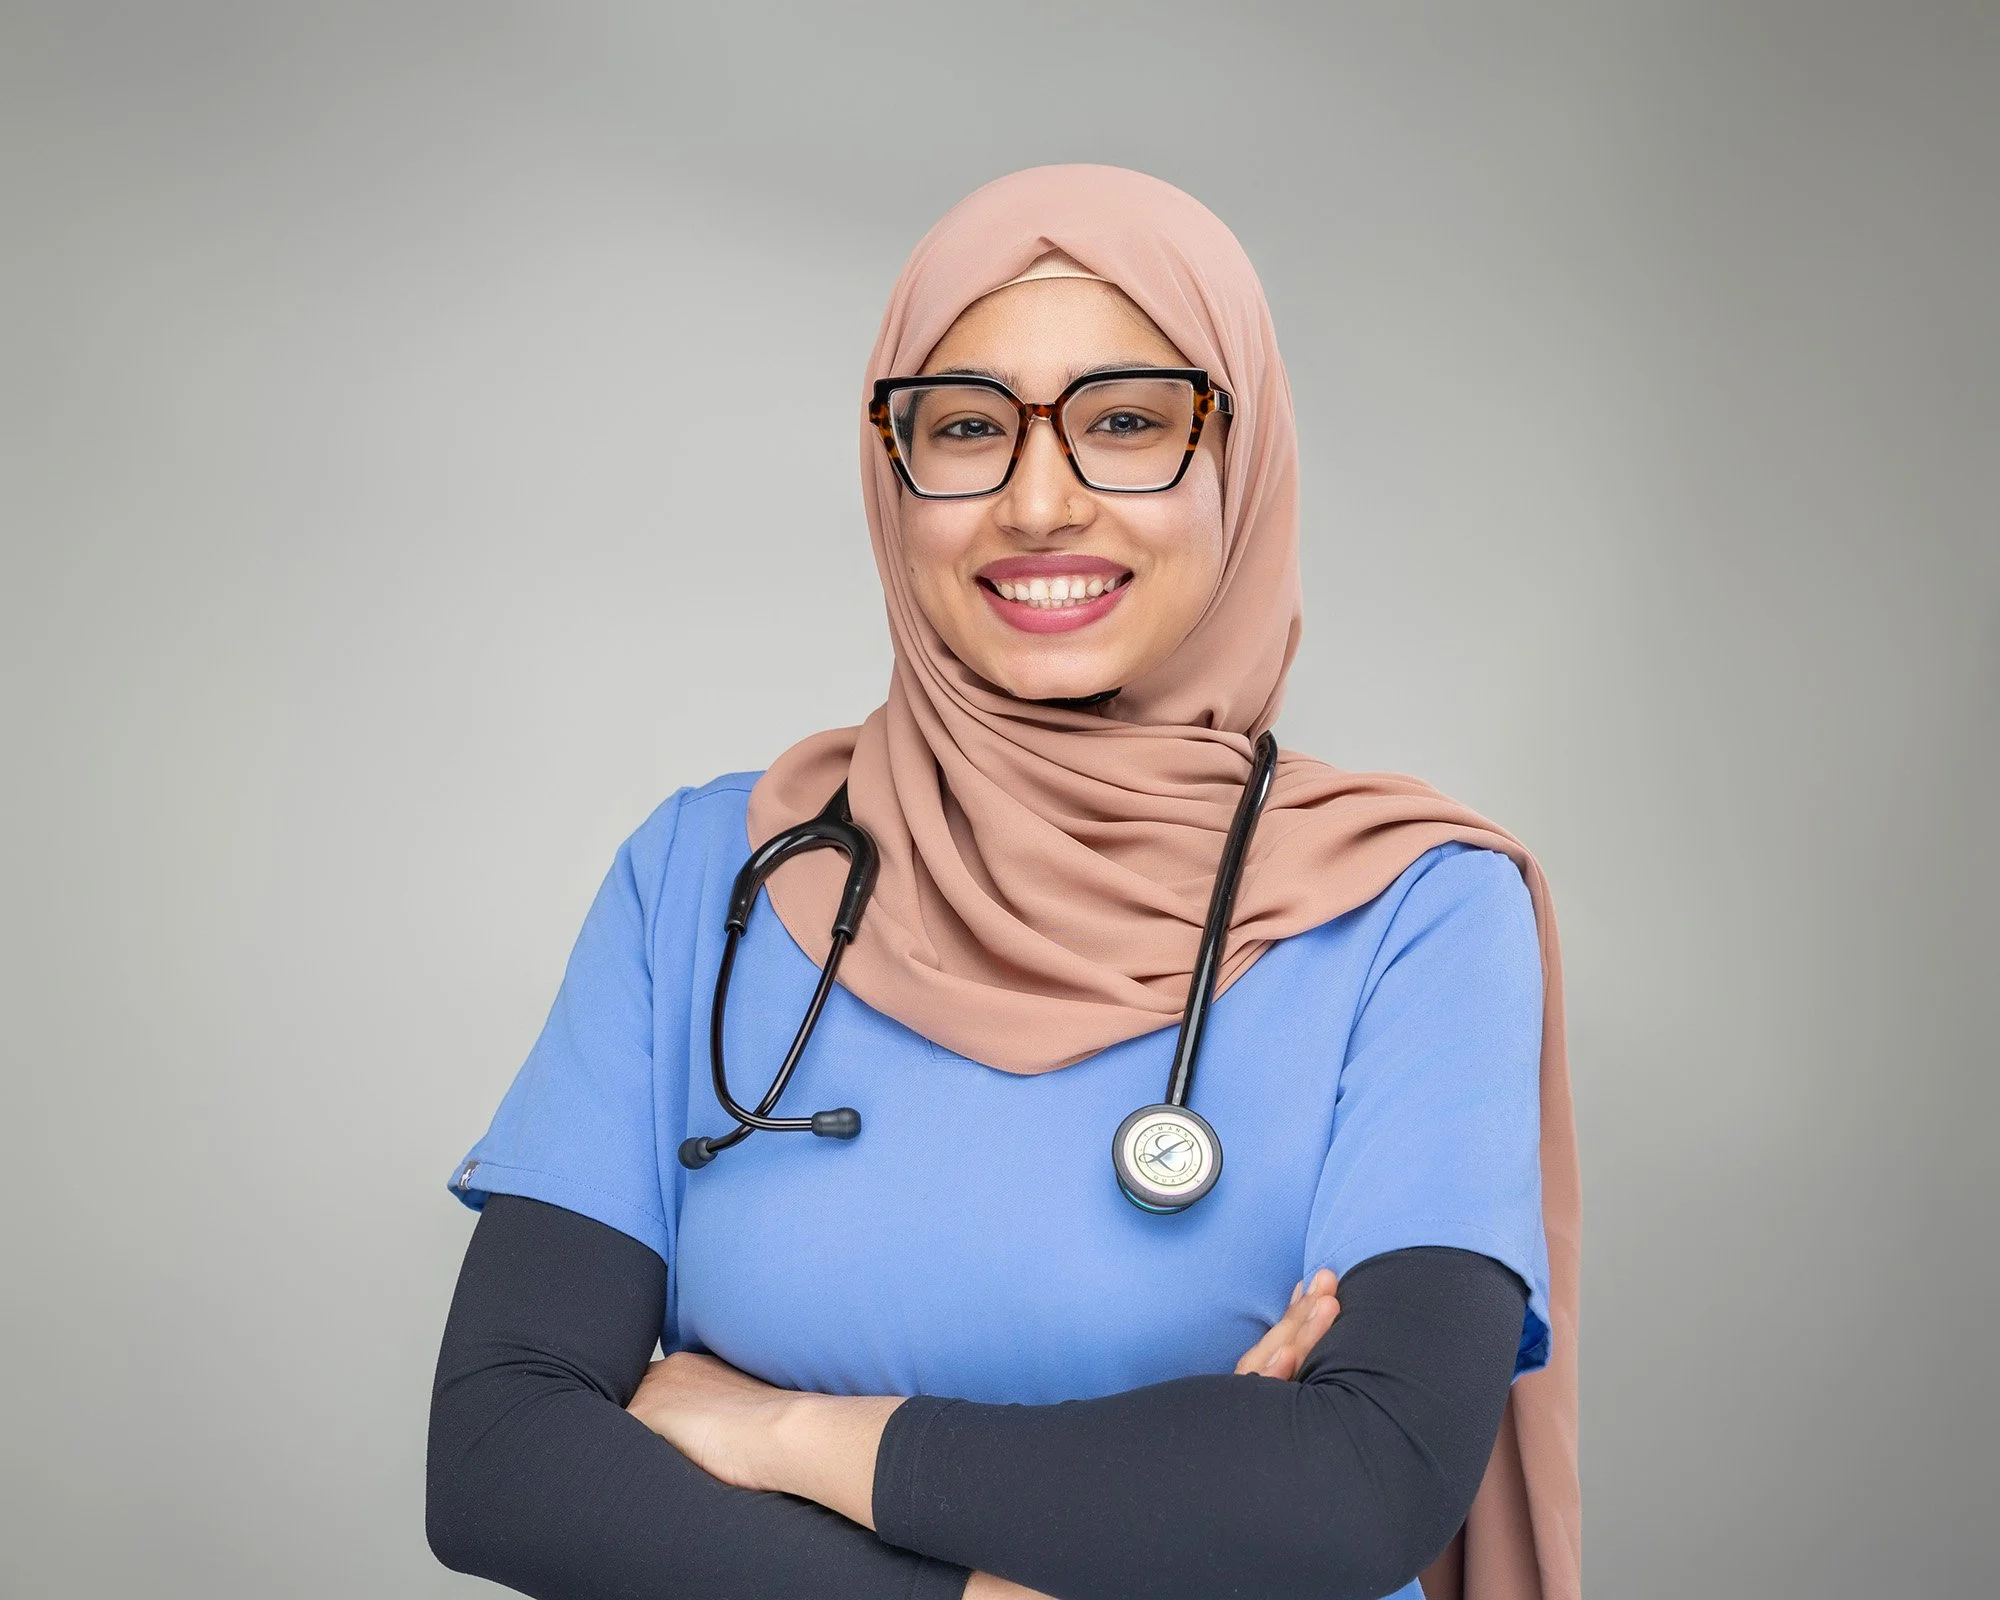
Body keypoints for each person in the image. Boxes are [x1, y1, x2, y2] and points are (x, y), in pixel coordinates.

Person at [425, 164, 1581, 1600]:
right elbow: (501, 1457)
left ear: (1242, 460)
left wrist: (782, 1433)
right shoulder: (706, 877)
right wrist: (1028, 1569)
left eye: (1127, 423)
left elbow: (1354, 1487)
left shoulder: (1415, 911)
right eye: (968, 426)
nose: (1040, 502)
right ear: (891, 470)